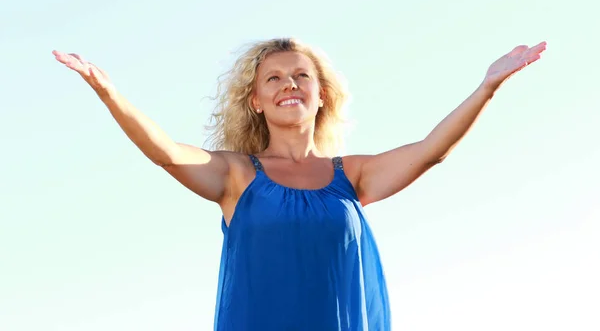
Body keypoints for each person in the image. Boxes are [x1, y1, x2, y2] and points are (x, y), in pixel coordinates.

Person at [52, 38, 547, 330]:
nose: (289, 84)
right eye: (273, 79)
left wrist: (487, 88)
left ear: (320, 95)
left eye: (301, 76)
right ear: (256, 102)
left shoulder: (351, 176)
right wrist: (108, 92)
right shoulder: (235, 175)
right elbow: (164, 151)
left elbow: (430, 150)